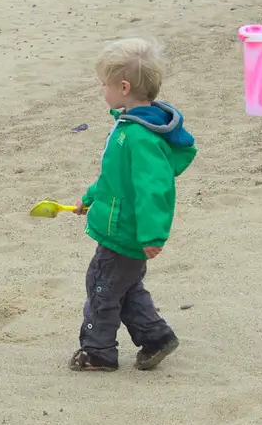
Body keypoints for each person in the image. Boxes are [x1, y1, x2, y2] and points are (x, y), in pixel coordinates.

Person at [70, 38, 197, 372]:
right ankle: (156, 337)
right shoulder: (127, 126)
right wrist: (91, 197)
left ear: (123, 87)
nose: (102, 90)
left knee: (101, 286)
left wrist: (153, 234)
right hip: (118, 225)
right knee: (123, 287)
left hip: (126, 233)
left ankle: (98, 351)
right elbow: (116, 177)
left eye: (104, 84)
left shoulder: (140, 137)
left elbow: (154, 188)